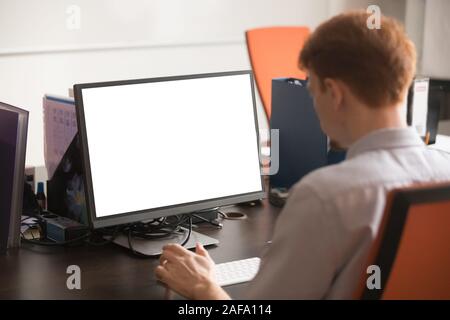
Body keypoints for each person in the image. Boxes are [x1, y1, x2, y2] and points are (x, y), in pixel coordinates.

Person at [154, 11, 450, 299]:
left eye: (312, 90)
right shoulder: (444, 172)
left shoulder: (325, 195)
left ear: (334, 93)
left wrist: (203, 287)